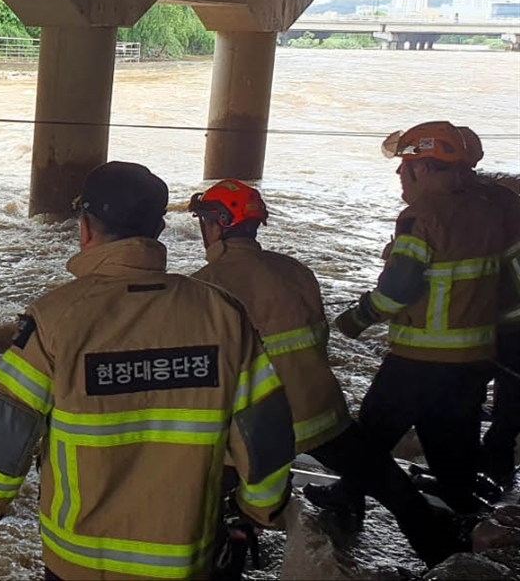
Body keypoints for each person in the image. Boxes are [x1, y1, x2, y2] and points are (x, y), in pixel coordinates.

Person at [0, 162, 295, 581]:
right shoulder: (223, 315)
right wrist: (261, 509)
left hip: (79, 562)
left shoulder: (57, 318)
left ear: (86, 229)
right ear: (159, 231)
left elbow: (6, 424)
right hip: (185, 559)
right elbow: (264, 431)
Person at [190, 179, 458, 565]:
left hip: (252, 430)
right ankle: (450, 559)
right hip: (320, 415)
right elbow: (317, 340)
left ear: (216, 224)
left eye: (204, 219)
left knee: (212, 509)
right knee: (394, 488)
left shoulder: (205, 286)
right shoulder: (296, 271)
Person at [308, 121, 506, 518]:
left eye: (406, 165)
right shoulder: (488, 212)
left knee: (372, 432)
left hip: (421, 359)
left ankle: (350, 497)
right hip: (476, 359)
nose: (400, 173)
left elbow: (398, 290)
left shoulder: (420, 218)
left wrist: (356, 319)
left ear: (424, 169)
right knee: (453, 444)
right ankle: (465, 520)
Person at [457, 126, 520, 489]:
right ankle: (487, 465)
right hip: (498, 318)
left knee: (474, 391)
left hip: (500, 320)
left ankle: (484, 471)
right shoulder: (500, 197)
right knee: (504, 397)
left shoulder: (471, 205)